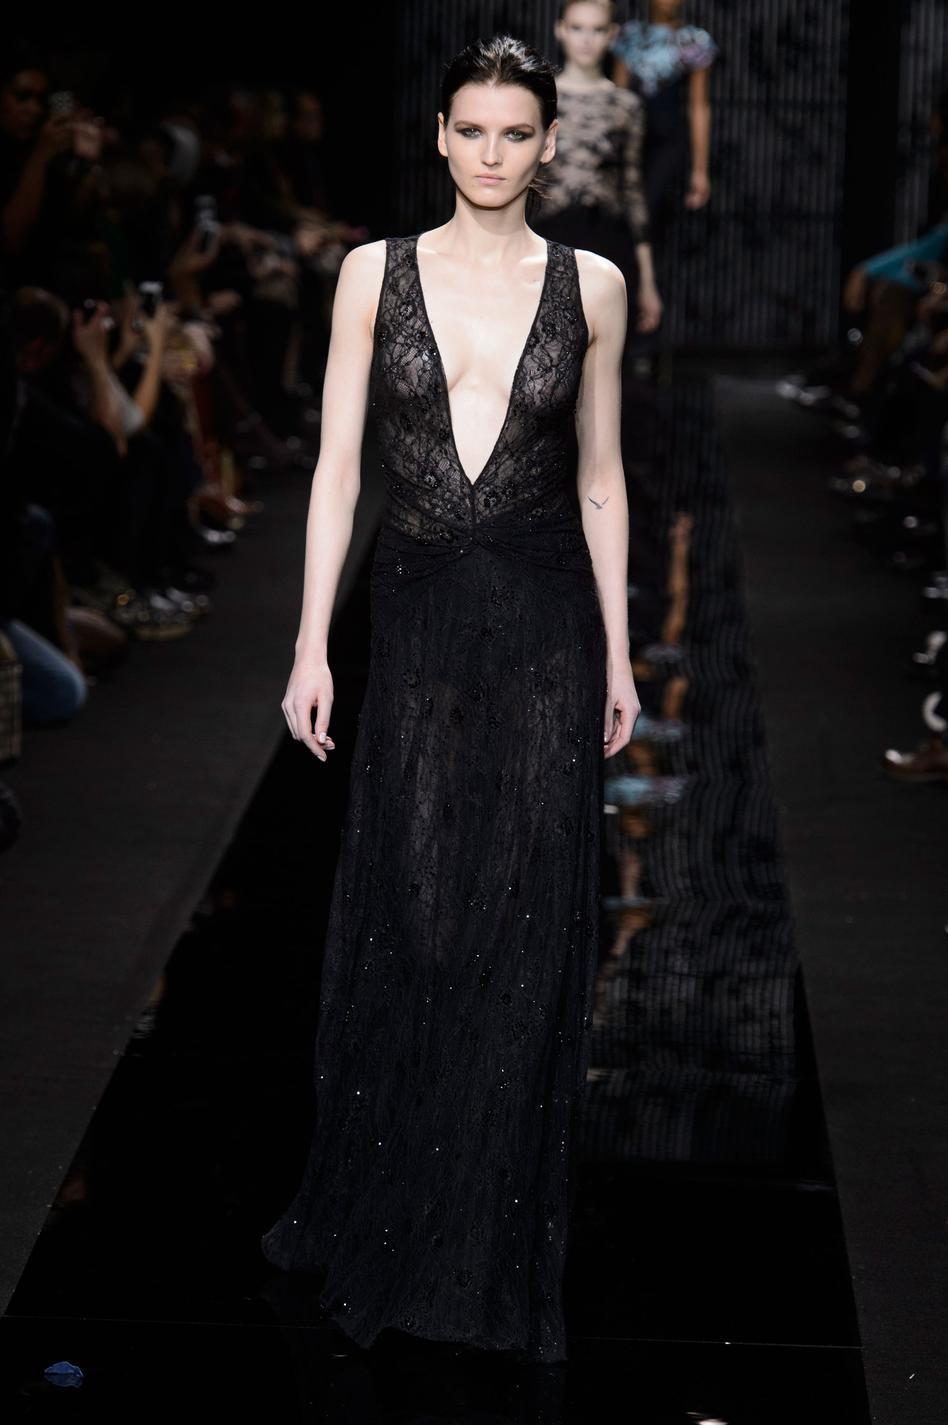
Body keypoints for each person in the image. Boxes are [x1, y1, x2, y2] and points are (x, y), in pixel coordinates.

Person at [259, 34, 640, 1365]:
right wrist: (311, 642)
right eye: (470, 129)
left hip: (541, 619)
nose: (491, 153)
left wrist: (622, 654)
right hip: (417, 614)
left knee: (520, 924)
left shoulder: (593, 285)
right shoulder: (374, 273)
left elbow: (601, 475)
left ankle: (482, 1233)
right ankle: (392, 1200)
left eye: (514, 133)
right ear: (439, 135)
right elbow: (337, 471)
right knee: (417, 912)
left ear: (548, 145)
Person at [531, 0, 662, 352]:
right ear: (560, 30)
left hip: (607, 241)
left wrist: (647, 280)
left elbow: (632, 189)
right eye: (577, 28)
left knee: (604, 356)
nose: (586, 39)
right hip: (545, 240)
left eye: (597, 29)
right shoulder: (539, 100)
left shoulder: (626, 105)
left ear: (612, 35)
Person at [610, 0, 717, 254]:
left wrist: (700, 170)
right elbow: (617, 98)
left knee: (649, 214)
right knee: (620, 216)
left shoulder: (693, 41)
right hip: (632, 140)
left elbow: (698, 106)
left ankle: (644, 274)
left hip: (668, 143)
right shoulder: (629, 35)